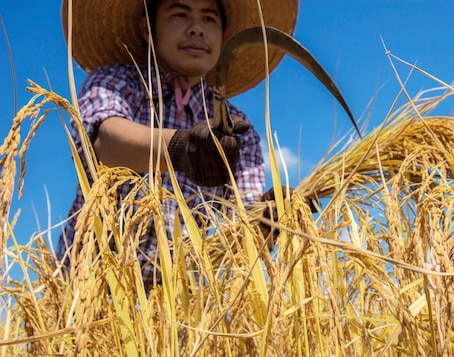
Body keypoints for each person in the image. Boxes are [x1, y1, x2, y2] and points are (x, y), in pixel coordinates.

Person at [57, 0, 299, 290]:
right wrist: (180, 148)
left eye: (209, 19)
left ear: (224, 38)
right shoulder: (116, 82)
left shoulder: (234, 126)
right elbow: (103, 142)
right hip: (90, 293)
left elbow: (240, 230)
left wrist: (269, 218)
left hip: (182, 316)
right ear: (147, 28)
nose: (197, 29)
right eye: (180, 14)